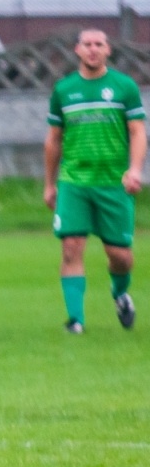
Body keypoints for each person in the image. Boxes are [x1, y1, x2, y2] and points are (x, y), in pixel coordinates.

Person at [44, 28, 146, 334]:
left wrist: (135, 169)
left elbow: (138, 132)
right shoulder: (64, 90)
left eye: (98, 44)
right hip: (74, 182)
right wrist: (50, 184)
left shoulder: (124, 87)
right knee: (71, 248)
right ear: (77, 49)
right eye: (87, 44)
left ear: (108, 50)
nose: (92, 49)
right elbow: (53, 141)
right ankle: (76, 320)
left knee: (120, 256)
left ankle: (120, 294)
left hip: (113, 183)